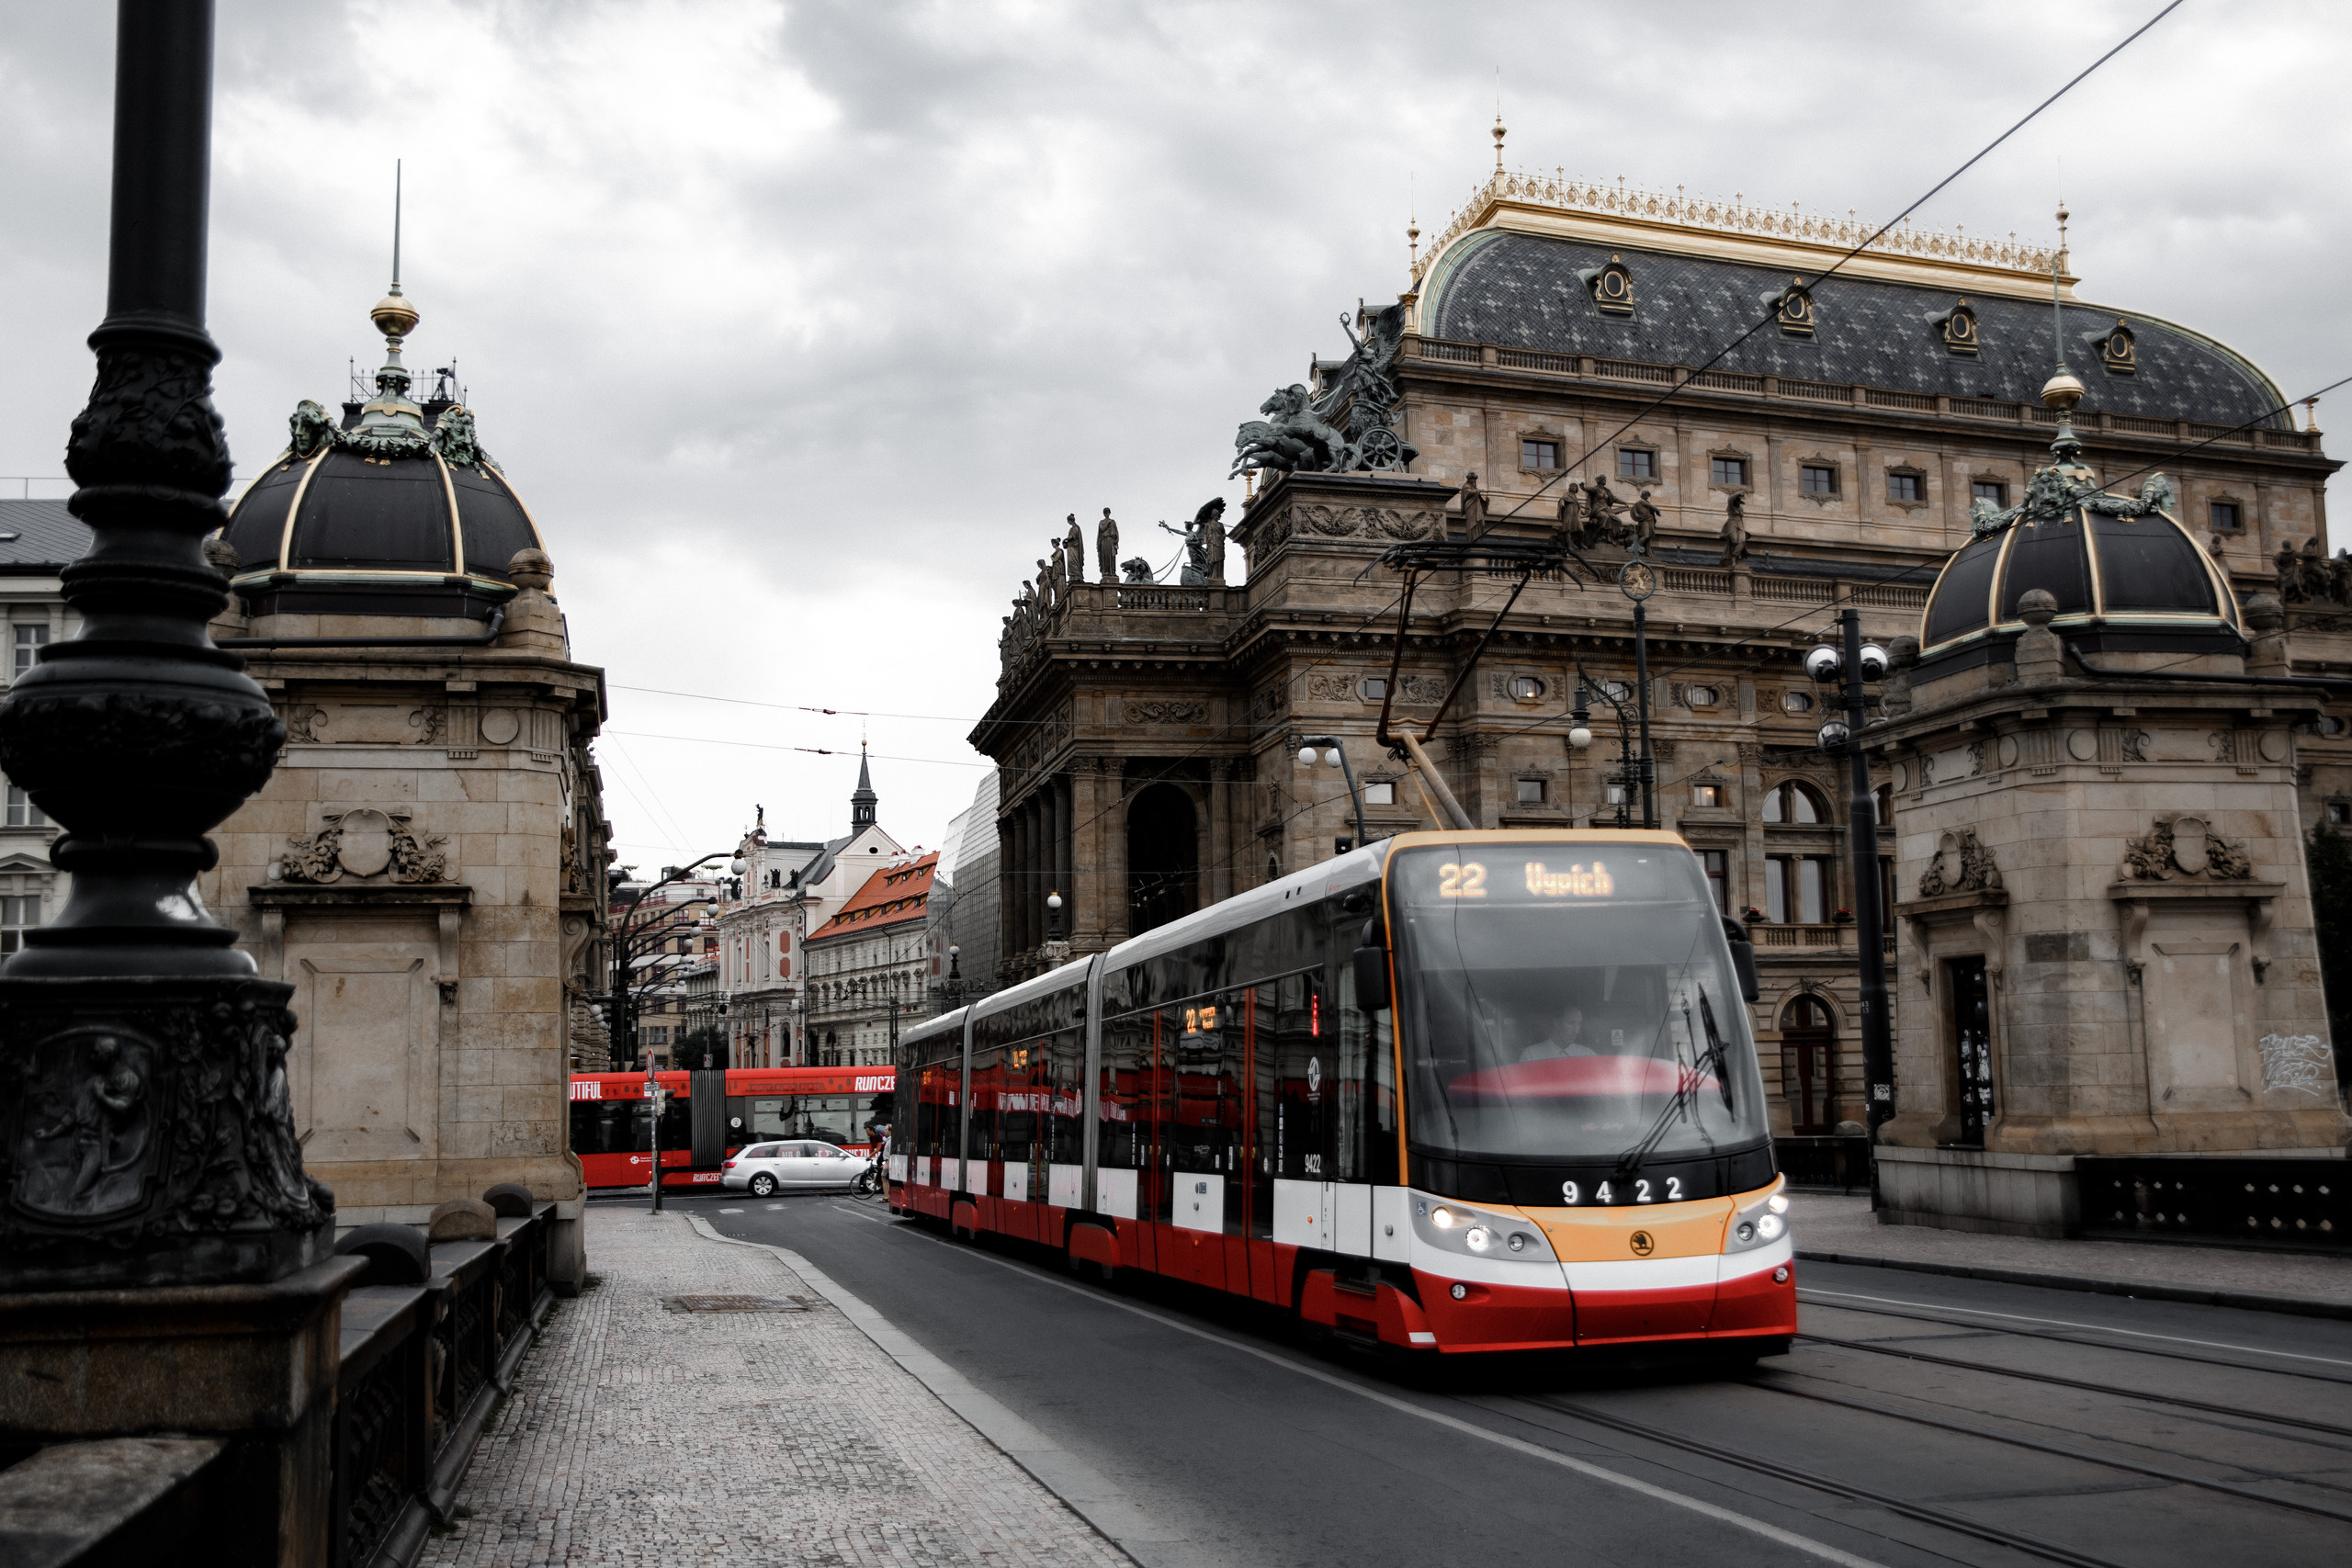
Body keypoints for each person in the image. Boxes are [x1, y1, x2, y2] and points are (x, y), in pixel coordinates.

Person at [1518, 1002, 1594, 1062]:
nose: (1576, 1031)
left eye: (1579, 1024)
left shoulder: (1588, 1055)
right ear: (1557, 1022)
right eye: (1571, 1023)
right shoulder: (1532, 1055)